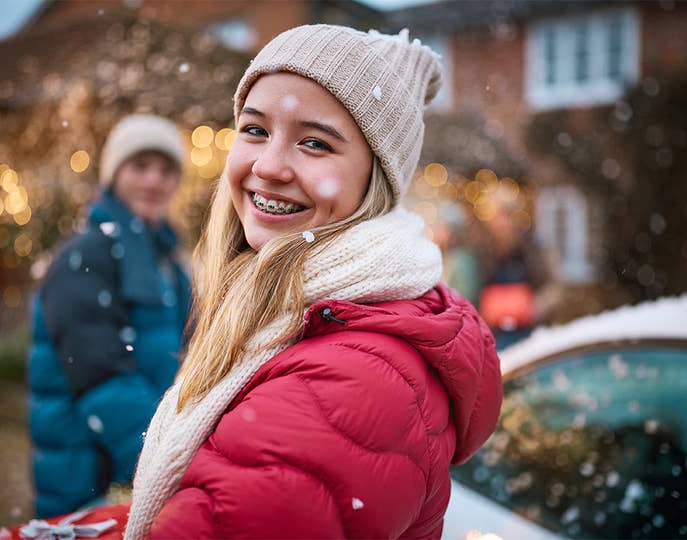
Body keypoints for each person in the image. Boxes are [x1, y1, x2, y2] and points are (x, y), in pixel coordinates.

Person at [121, 25, 504, 538]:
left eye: (315, 143)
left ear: (375, 180)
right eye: (255, 130)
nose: (269, 166)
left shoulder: (353, 382)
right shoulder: (291, 313)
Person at [27, 114, 192, 518]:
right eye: (140, 166)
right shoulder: (84, 256)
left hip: (140, 470)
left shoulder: (170, 262)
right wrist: (166, 467)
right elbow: (102, 378)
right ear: (115, 173)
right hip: (86, 478)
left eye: (166, 170)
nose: (153, 181)